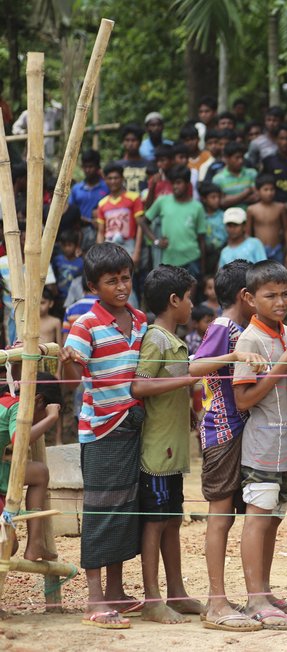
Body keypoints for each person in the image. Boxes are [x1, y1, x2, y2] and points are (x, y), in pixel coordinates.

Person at [61, 243, 148, 629]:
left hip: (133, 425)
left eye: (125, 278)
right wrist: (66, 364)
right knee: (100, 510)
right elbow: (70, 382)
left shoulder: (141, 319)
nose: (121, 286)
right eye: (111, 281)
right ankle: (94, 598)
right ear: (94, 286)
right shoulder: (86, 324)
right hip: (100, 428)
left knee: (126, 508)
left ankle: (116, 591)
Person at [187, 260, 264, 632]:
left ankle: (249, 596)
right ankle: (216, 601)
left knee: (233, 513)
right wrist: (233, 356)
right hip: (221, 430)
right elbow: (195, 368)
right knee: (219, 515)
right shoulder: (222, 327)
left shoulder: (244, 327)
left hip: (241, 428)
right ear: (245, 296)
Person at [231, 261, 287, 630]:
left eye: (285, 293)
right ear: (250, 298)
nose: (280, 302)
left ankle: (265, 590)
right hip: (261, 446)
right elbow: (244, 400)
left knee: (274, 520)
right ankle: (255, 598)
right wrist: (281, 368)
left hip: (286, 443)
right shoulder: (251, 339)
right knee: (258, 520)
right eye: (270, 295)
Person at [130, 265, 204, 624]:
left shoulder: (175, 341)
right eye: (189, 298)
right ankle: (152, 597)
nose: (193, 305)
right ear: (174, 301)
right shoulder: (156, 339)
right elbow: (140, 386)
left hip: (173, 446)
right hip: (158, 449)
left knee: (172, 519)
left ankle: (176, 592)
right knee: (156, 522)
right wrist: (185, 381)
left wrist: (189, 407)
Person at [0, 373, 61, 561]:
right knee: (6, 546)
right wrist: (51, 418)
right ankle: (34, 544)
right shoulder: (17, 405)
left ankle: (35, 544)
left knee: (39, 473)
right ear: (39, 400)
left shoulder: (5, 401)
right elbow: (20, 440)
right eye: (46, 410)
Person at [139, 165, 207, 276]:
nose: (175, 186)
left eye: (179, 183)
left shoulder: (197, 207)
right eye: (173, 183)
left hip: (192, 259)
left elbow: (201, 240)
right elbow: (143, 222)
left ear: (187, 184)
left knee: (189, 293)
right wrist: (156, 241)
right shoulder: (162, 201)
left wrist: (203, 270)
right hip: (169, 261)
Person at [247, 174, 287, 267]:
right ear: (258, 191)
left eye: (272, 189)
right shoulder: (252, 209)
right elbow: (248, 234)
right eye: (266, 190)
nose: (269, 193)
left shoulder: (280, 207)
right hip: (259, 250)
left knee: (278, 277)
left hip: (277, 249)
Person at [260, 124, 287, 208]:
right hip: (275, 206)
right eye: (282, 138)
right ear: (276, 140)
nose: (285, 142)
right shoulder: (268, 161)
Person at [69, 149, 109, 233]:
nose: (87, 170)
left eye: (91, 167)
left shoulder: (107, 187)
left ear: (98, 167)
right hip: (80, 232)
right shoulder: (76, 189)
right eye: (85, 167)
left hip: (103, 230)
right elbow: (71, 211)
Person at [214, 142, 258, 211]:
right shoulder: (218, 179)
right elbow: (222, 202)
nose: (241, 161)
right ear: (227, 158)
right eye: (237, 158)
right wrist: (246, 193)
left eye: (242, 157)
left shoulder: (252, 173)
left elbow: (257, 197)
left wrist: (232, 199)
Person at [198, 182, 226, 273]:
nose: (217, 200)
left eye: (218, 197)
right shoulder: (200, 216)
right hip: (205, 254)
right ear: (204, 199)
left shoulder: (223, 216)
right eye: (213, 197)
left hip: (221, 252)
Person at [115, 124, 150, 194]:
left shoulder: (149, 164)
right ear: (123, 142)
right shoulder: (117, 165)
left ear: (140, 142)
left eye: (133, 140)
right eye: (127, 140)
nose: (130, 144)